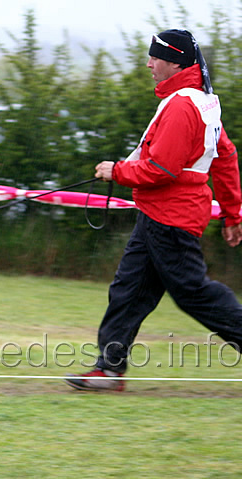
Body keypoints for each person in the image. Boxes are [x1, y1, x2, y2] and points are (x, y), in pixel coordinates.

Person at [65, 29, 242, 392]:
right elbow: (225, 156)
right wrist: (232, 213)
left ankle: (109, 369)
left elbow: (161, 170)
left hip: (172, 218)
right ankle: (110, 369)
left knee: (194, 293)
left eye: (154, 58)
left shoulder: (181, 106)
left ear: (174, 61)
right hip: (159, 216)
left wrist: (116, 171)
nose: (148, 64)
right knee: (128, 291)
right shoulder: (202, 101)